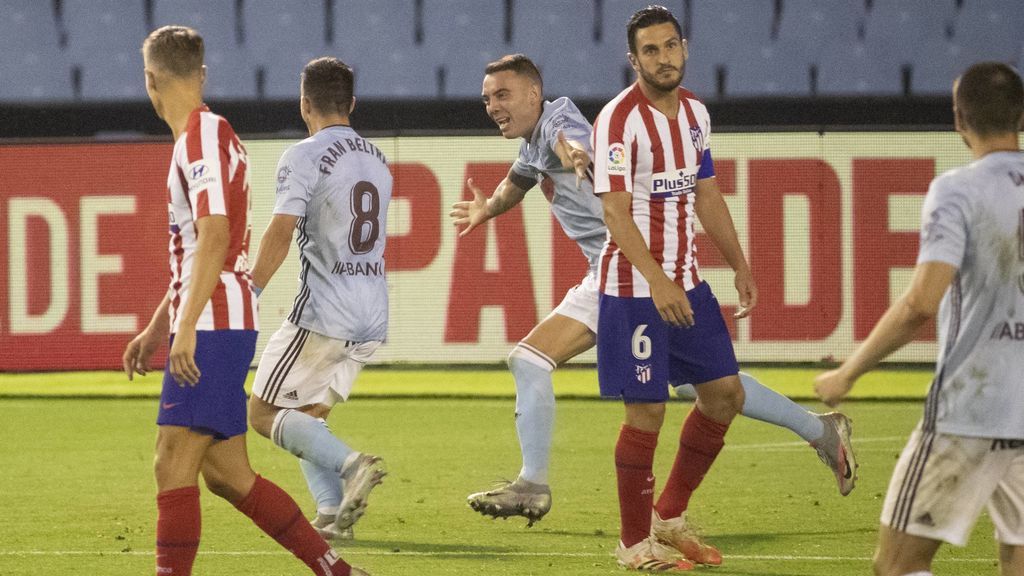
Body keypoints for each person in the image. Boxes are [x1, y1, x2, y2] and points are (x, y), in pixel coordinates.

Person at [455, 49, 856, 537]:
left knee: (531, 360)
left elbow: (571, 145)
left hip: (626, 269)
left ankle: (534, 485)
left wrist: (578, 157)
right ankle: (821, 430)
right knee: (710, 386)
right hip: (619, 268)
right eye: (486, 98)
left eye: (503, 94)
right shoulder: (532, 144)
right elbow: (516, 183)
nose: (493, 105)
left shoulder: (559, 122)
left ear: (534, 93)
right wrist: (486, 210)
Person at [588, 5, 853, 570]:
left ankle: (670, 515)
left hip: (687, 284)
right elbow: (614, 211)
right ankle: (635, 546)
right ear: (633, 60)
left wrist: (741, 265)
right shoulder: (617, 121)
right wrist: (657, 281)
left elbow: (705, 194)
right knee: (647, 414)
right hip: (636, 290)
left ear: (685, 48)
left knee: (725, 395)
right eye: (650, 51)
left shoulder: (695, 115)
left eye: (670, 46)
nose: (663, 58)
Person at [121, 27, 364, 576]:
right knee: (228, 475)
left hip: (211, 323)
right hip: (213, 316)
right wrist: (161, 326)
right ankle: (337, 571)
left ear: (149, 80)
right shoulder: (210, 135)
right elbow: (201, 249)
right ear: (201, 73)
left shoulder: (201, 135)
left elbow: (214, 234)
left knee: (171, 463)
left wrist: (184, 328)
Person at [815, 61, 1024, 576]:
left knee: (897, 566)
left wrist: (849, 371)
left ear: (959, 119)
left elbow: (919, 305)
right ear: (1020, 114)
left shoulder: (958, 191)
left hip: (968, 411)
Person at [247, 57, 390, 543]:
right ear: (351, 103)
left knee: (263, 414)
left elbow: (281, 231)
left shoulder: (302, 155)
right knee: (305, 414)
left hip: (325, 310)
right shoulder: (377, 158)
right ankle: (332, 512)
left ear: (304, 104)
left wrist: (251, 292)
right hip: (373, 313)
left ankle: (353, 466)